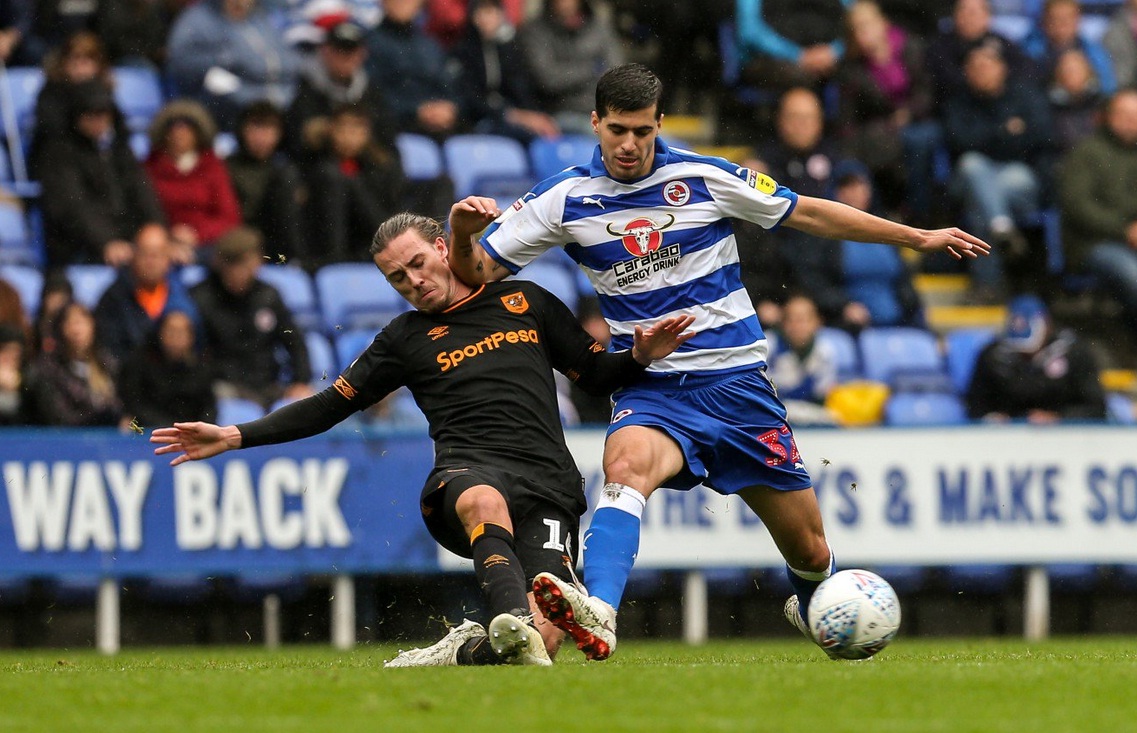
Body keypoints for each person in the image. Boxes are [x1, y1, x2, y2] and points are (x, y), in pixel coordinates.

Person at [447, 63, 989, 661]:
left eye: (642, 132)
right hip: (653, 384)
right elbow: (475, 275)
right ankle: (599, 611)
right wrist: (461, 232)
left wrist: (916, 238)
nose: (629, 145)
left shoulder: (703, 177)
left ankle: (814, 601)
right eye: (617, 131)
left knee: (809, 551)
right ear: (596, 124)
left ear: (659, 125)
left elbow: (807, 211)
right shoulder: (564, 199)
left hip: (737, 386)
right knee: (624, 467)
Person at [151, 211, 694, 667]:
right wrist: (234, 434)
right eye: (397, 278)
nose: (413, 281)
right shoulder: (402, 340)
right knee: (487, 502)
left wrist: (641, 356)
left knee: (544, 644)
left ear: (441, 248)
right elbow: (328, 406)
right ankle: (513, 617)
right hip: (466, 475)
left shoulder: (526, 301)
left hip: (549, 483)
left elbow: (595, 375)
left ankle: (465, 649)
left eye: (417, 264)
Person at [942, 41, 1053, 302]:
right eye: (975, 66)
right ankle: (1001, 228)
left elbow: (1041, 137)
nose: (982, 70)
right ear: (966, 71)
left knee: (983, 198)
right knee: (973, 165)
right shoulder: (958, 102)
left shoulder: (1024, 95)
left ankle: (988, 283)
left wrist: (988, 139)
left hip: (1018, 178)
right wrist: (1005, 131)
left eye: (988, 64)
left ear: (1002, 68)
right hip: (968, 177)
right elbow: (958, 142)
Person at [38, 80, 164, 269]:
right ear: (76, 116)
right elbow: (73, 207)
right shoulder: (58, 153)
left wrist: (159, 233)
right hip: (80, 249)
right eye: (90, 114)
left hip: (127, 241)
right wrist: (106, 241)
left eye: (104, 113)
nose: (99, 120)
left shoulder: (120, 149)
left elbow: (143, 193)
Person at [190, 226, 313, 408]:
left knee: (314, 404)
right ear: (222, 265)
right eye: (236, 265)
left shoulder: (268, 296)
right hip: (222, 387)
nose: (242, 272)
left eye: (248, 264)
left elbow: (294, 341)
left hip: (267, 385)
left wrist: (300, 381)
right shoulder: (201, 298)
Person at [1057, 88, 1137, 338]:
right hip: (1093, 244)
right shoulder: (1086, 152)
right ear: (1108, 116)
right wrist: (1125, 230)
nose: (1131, 121)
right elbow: (1077, 206)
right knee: (1133, 276)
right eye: (1124, 114)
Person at [965, 294, 1105, 423]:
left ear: (1047, 325)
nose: (1026, 354)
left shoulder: (1075, 353)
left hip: (1065, 435)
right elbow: (976, 403)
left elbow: (1095, 406)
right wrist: (992, 417)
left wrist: (1059, 417)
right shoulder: (993, 356)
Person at [144, 100, 243, 261]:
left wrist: (196, 235)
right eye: (173, 127)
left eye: (187, 128)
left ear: (199, 132)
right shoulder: (149, 167)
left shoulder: (213, 167)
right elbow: (141, 211)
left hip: (207, 244)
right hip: (159, 241)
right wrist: (168, 235)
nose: (179, 134)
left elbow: (229, 217)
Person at [93, 224, 199, 362]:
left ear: (169, 257)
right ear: (133, 256)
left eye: (157, 254)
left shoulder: (185, 295)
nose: (151, 262)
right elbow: (109, 349)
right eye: (145, 254)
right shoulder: (113, 297)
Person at [23, 301, 127, 427]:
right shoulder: (48, 369)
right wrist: (105, 417)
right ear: (60, 329)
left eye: (82, 322)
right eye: (70, 323)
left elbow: (124, 409)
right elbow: (60, 418)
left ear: (93, 325)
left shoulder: (108, 364)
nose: (77, 330)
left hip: (111, 439)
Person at [226, 101, 307, 264]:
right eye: (256, 127)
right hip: (241, 249)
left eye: (270, 129)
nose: (262, 137)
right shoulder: (226, 168)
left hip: (280, 253)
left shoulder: (288, 169)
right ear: (242, 129)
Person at [120, 309, 216, 427]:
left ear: (191, 337)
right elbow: (136, 405)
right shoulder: (140, 363)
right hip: (150, 431)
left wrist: (198, 429)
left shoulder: (201, 368)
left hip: (190, 434)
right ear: (160, 333)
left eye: (181, 332)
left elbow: (209, 408)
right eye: (171, 331)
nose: (176, 338)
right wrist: (170, 428)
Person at [766, 294, 838, 426]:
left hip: (809, 412)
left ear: (817, 322)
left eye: (804, 320)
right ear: (783, 323)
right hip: (773, 412)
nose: (798, 326)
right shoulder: (768, 346)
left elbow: (822, 396)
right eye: (792, 320)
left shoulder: (825, 351)